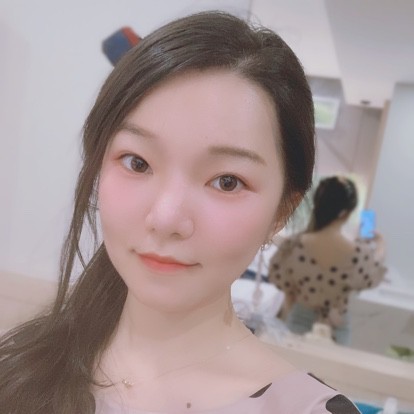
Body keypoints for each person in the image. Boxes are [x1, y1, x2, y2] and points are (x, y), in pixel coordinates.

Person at [0, 11, 361, 414]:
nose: (166, 218)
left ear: (281, 212)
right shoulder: (18, 372)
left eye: (227, 181)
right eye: (137, 162)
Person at [268, 176, 386, 345]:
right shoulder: (360, 253)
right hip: (336, 330)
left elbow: (289, 294)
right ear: (345, 213)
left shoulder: (292, 246)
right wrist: (381, 243)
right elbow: (371, 272)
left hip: (299, 323)